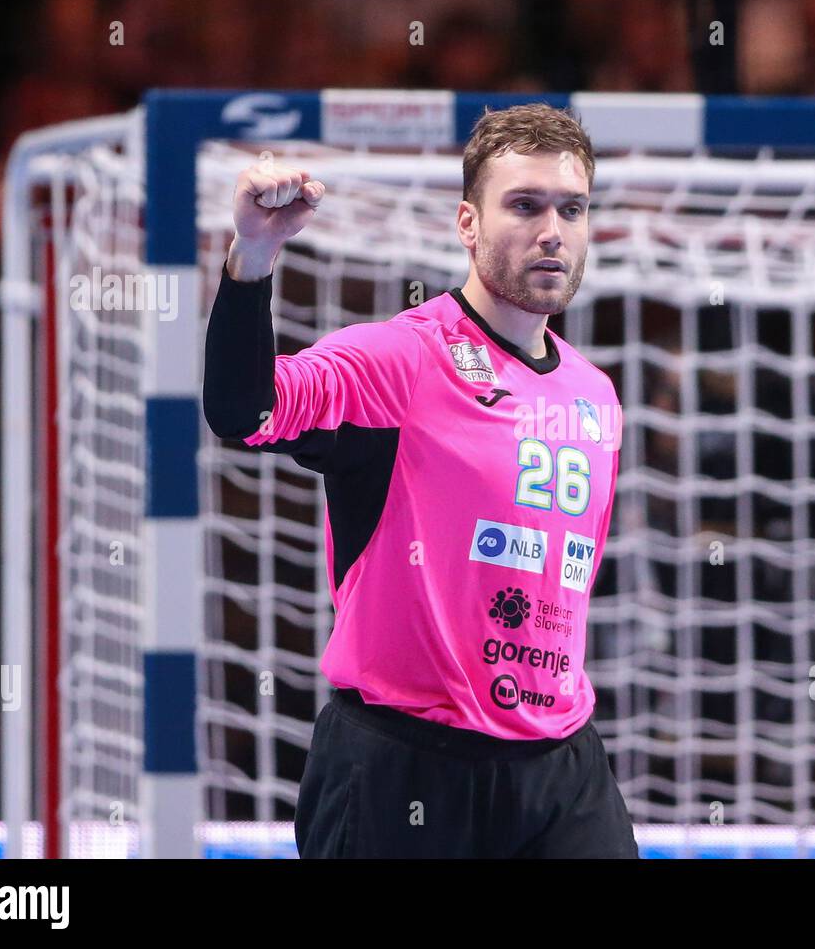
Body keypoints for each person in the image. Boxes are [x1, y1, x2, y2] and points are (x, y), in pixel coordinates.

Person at [202, 102, 638, 858]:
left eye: (572, 208)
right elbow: (242, 411)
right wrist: (254, 257)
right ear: (468, 224)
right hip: (404, 766)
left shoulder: (594, 394)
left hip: (559, 766)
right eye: (525, 206)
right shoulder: (399, 361)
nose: (552, 231)